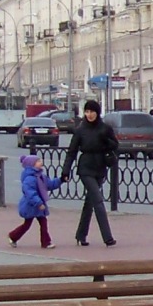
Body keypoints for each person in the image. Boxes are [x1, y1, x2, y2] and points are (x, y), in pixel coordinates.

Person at [60, 99, 119, 247]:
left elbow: (115, 145)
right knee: (98, 200)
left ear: (97, 112)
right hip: (85, 168)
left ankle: (81, 235)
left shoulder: (105, 128)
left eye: (92, 111)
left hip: (100, 167)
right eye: (87, 111)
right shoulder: (80, 130)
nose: (89, 114)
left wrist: (106, 141)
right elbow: (72, 152)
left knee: (90, 202)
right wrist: (66, 171)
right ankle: (108, 237)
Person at [8, 152, 55, 249]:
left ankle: (46, 242)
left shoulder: (40, 176)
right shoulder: (30, 178)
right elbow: (30, 193)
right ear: (31, 165)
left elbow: (50, 184)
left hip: (38, 205)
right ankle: (13, 236)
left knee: (43, 223)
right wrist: (38, 203)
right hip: (31, 206)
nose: (41, 162)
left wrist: (61, 180)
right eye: (38, 161)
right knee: (27, 224)